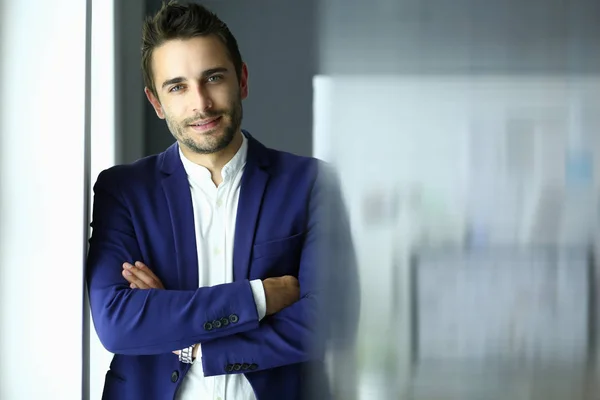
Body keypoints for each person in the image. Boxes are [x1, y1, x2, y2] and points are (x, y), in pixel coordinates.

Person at [86, 1, 359, 399]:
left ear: (242, 80)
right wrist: (261, 296)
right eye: (177, 86)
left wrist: (192, 342)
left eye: (213, 77)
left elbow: (331, 319)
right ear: (157, 103)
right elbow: (118, 323)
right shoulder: (123, 191)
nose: (201, 103)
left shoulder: (313, 184)